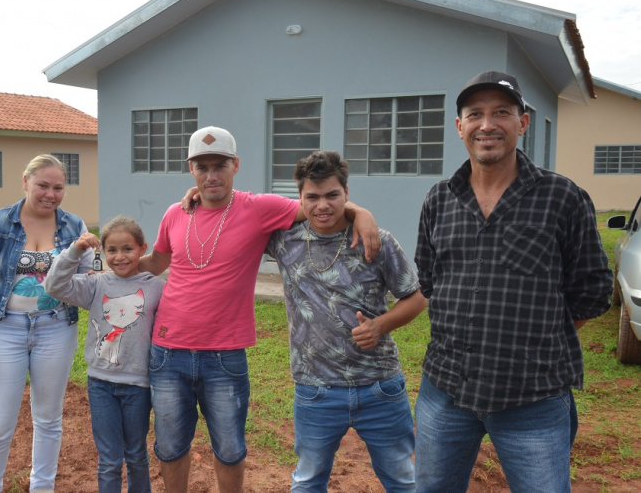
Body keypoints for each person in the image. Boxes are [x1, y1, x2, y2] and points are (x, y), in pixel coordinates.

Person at [137, 126, 381, 493]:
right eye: (201, 168)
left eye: (219, 165)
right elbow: (156, 263)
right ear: (191, 170)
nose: (211, 175)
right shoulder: (176, 212)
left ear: (236, 165)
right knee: (170, 447)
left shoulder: (259, 208)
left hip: (224, 355)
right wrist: (109, 268)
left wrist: (360, 211)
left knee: (231, 449)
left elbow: (316, 204)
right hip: (167, 351)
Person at [413, 71, 613, 492]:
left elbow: (593, 290)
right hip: (445, 390)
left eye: (501, 113)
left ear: (521, 123)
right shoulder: (438, 199)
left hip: (533, 397)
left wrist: (532, 341)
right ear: (460, 127)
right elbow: (430, 280)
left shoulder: (563, 198)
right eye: (475, 114)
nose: (487, 125)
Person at [265, 150, 426, 492]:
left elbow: (416, 297)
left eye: (332, 196)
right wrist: (198, 194)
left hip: (379, 386)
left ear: (346, 193)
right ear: (300, 198)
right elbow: (238, 214)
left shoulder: (375, 241)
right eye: (313, 197)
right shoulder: (283, 240)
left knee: (402, 480)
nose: (323, 205)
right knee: (308, 481)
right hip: (315, 390)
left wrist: (380, 325)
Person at [0, 154, 94, 493]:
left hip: (56, 328)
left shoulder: (74, 227)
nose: (50, 194)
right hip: (5, 330)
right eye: (42, 185)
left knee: (49, 419)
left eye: (58, 187)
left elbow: (89, 283)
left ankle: (42, 488)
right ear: (25, 182)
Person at [45, 216, 164, 493]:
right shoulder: (96, 284)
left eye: (127, 249)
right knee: (109, 460)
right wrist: (74, 251)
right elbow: (54, 286)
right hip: (101, 385)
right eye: (112, 250)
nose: (120, 257)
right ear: (103, 253)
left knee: (136, 455)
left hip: (138, 386)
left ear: (142, 248)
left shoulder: (156, 286)